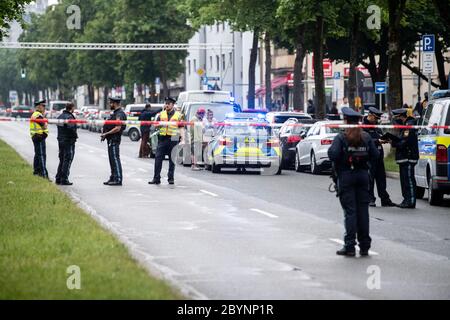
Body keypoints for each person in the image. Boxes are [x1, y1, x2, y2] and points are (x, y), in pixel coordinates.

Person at [328, 107, 379, 257]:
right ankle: (364, 246)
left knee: (350, 212)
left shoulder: (341, 137)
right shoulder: (366, 137)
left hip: (346, 176)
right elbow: (375, 155)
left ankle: (350, 245)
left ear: (345, 121)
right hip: (363, 176)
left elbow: (333, 155)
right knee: (363, 211)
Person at [363, 107, 396, 207]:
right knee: (370, 179)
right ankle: (370, 199)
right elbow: (364, 142)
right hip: (369, 157)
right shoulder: (363, 127)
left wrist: (385, 139)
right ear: (370, 115)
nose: (376, 120)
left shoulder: (376, 127)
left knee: (381, 179)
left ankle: (385, 199)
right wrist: (377, 141)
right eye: (375, 118)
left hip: (379, 156)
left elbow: (380, 135)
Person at [387, 108, 419, 209]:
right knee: (404, 181)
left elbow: (405, 141)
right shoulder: (404, 126)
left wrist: (393, 143)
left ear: (401, 117)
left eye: (396, 118)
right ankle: (406, 200)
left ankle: (411, 201)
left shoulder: (409, 125)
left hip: (409, 157)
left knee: (409, 180)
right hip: (404, 157)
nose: (395, 121)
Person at [149, 97, 182, 185]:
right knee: (158, 158)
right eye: (166, 103)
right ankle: (156, 178)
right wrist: (159, 125)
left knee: (172, 160)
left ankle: (171, 178)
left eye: (168, 103)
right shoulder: (161, 114)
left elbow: (182, 127)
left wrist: (183, 138)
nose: (166, 105)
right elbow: (155, 126)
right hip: (163, 138)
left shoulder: (178, 115)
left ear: (173, 105)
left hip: (174, 139)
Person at [101, 97, 127, 186]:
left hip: (114, 139)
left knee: (115, 159)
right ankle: (113, 177)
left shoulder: (119, 114)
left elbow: (118, 128)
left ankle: (118, 179)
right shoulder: (115, 113)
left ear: (115, 103)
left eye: (110, 103)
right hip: (110, 139)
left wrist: (106, 133)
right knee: (112, 160)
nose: (109, 104)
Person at [55, 102, 78, 185]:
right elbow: (71, 128)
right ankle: (64, 179)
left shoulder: (60, 116)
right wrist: (75, 136)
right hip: (68, 141)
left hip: (60, 140)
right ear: (71, 108)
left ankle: (58, 178)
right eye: (73, 108)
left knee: (62, 159)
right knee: (67, 160)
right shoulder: (69, 117)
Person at [30, 99, 49, 180]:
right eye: (43, 106)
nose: (44, 107)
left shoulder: (37, 114)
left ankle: (36, 171)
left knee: (37, 155)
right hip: (39, 137)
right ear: (38, 106)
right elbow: (44, 126)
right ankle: (43, 174)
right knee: (41, 156)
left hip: (37, 136)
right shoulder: (38, 115)